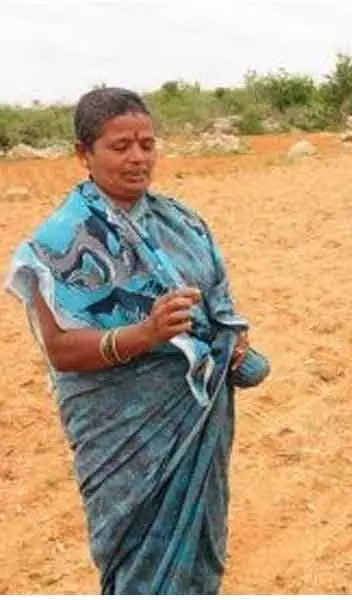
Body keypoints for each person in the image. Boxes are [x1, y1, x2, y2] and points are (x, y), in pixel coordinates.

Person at [5, 87, 269, 594]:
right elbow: (61, 349)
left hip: (195, 418)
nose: (138, 158)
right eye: (120, 146)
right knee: (136, 556)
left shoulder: (182, 222)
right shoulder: (59, 241)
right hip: (120, 431)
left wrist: (231, 338)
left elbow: (218, 299)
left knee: (199, 546)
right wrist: (144, 335)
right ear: (84, 154)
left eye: (147, 144)